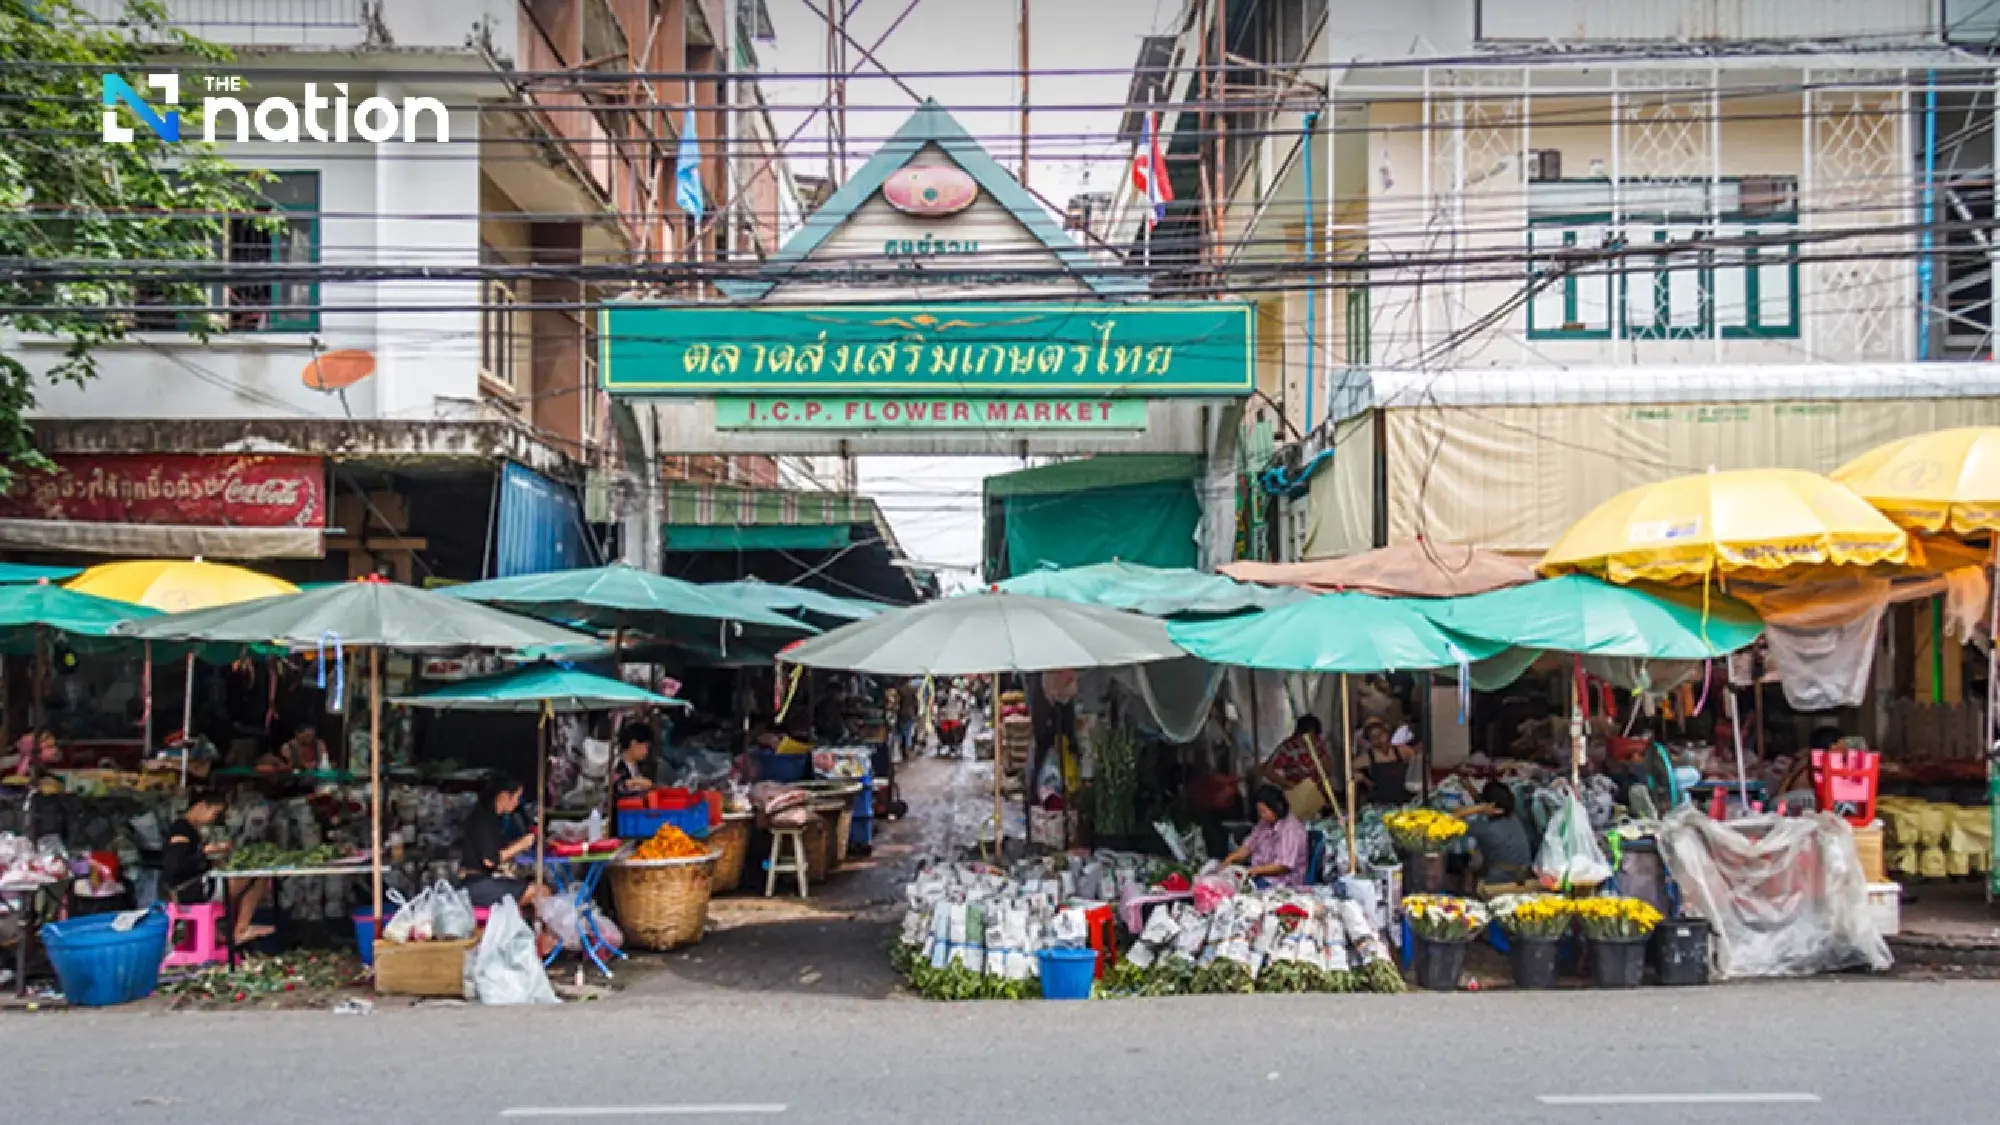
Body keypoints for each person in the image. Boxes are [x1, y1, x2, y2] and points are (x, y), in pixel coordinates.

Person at [162, 790, 270, 944]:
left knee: (241, 881)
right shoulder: (181, 830)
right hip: (189, 890)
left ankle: (222, 930)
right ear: (201, 806)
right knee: (259, 875)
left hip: (192, 887)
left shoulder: (190, 830)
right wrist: (205, 853)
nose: (214, 818)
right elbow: (175, 866)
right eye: (215, 812)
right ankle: (241, 929)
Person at [458, 774, 544, 909]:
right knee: (540, 892)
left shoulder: (493, 818)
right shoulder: (484, 821)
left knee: (530, 888)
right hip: (476, 885)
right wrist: (521, 845)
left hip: (481, 881)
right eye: (516, 797)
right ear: (504, 796)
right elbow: (490, 860)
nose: (517, 802)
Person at [1220, 785, 1309, 888]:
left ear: (1277, 807)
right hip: (1260, 874)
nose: (1261, 815)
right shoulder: (1265, 823)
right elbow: (1248, 847)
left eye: (1264, 811)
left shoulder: (1291, 830)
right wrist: (1230, 858)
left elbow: (1283, 866)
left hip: (1282, 881)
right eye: (1259, 811)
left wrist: (1252, 871)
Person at [1452, 781, 1534, 887]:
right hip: (1523, 874)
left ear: (1490, 806)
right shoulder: (1512, 815)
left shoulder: (1486, 829)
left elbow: (1451, 818)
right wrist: (1468, 786)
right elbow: (1483, 801)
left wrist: (1479, 808)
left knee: (1462, 863)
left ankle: (1469, 893)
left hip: (1500, 880)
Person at [1261, 715, 1332, 791]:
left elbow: (1327, 767)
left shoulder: (1319, 744)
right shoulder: (1287, 749)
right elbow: (1267, 771)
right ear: (1299, 733)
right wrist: (1291, 785)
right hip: (1296, 792)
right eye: (1309, 737)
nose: (1312, 741)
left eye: (1314, 737)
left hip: (1316, 790)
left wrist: (1321, 779)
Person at [1359, 718, 1417, 806]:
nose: (1379, 739)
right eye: (1374, 737)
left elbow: (1416, 759)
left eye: (1380, 734)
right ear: (1370, 740)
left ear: (1386, 733)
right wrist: (1364, 779)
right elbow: (1350, 768)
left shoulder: (1402, 751)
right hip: (1379, 806)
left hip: (1403, 803)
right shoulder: (1368, 757)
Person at [612, 720, 656, 797]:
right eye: (646, 746)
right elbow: (613, 790)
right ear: (634, 744)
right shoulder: (617, 765)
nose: (647, 751)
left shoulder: (643, 767)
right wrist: (633, 782)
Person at [260, 721, 325, 772]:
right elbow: (291, 764)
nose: (310, 738)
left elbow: (323, 759)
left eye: (312, 736)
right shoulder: (287, 747)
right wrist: (304, 765)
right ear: (297, 734)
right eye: (307, 735)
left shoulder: (318, 744)